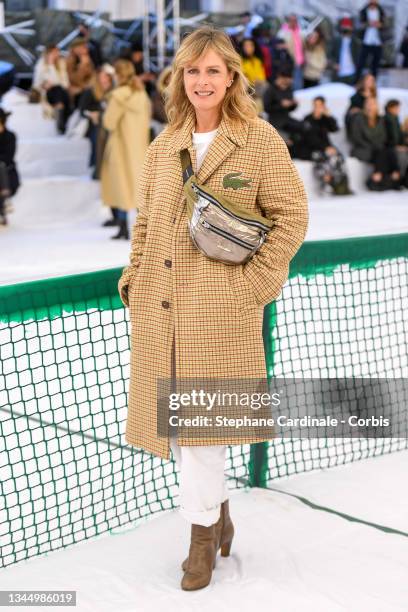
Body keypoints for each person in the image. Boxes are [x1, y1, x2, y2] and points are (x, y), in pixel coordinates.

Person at [117, 25, 308, 591]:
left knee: (202, 429)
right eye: (192, 71)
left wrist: (255, 285)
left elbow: (291, 216)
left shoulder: (259, 140)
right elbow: (146, 222)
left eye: (213, 71)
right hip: (160, 311)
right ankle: (218, 514)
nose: (202, 81)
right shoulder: (163, 145)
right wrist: (134, 277)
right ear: (181, 78)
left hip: (221, 311)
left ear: (232, 78)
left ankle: (200, 539)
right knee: (185, 430)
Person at [100, 59, 151, 239]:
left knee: (121, 188)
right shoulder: (141, 94)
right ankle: (144, 231)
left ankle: (123, 228)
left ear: (118, 75)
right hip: (139, 148)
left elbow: (108, 122)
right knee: (138, 189)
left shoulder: (118, 96)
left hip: (121, 147)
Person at [293, 96, 352, 195]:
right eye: (316, 105)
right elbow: (310, 138)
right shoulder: (308, 119)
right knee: (320, 159)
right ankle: (326, 186)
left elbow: (334, 129)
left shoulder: (325, 119)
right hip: (310, 148)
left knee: (338, 158)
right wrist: (325, 148)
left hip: (326, 147)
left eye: (320, 105)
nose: (318, 108)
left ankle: (341, 186)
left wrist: (329, 116)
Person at [350, 96, 401, 190]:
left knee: (388, 151)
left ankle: (382, 177)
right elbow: (356, 137)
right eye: (368, 104)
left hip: (378, 148)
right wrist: (372, 146)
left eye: (373, 104)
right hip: (362, 148)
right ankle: (382, 178)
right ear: (364, 105)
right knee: (382, 152)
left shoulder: (381, 119)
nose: (370, 106)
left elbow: (384, 136)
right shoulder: (358, 118)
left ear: (377, 106)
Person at [78, 63, 115, 176]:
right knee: (97, 136)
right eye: (102, 77)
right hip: (95, 124)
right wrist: (92, 114)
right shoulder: (90, 92)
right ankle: (96, 167)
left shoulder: (114, 92)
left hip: (111, 123)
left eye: (107, 78)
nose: (105, 80)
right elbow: (82, 111)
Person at [32, 44, 71, 133]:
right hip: (46, 92)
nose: (56, 55)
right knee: (57, 91)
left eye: (57, 52)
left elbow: (65, 83)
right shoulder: (41, 64)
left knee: (58, 90)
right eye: (53, 52)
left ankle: (60, 115)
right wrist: (49, 64)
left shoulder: (61, 63)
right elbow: (36, 83)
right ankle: (61, 122)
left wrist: (52, 66)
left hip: (60, 92)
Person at [263, 68, 304, 150]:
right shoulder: (270, 90)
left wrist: (293, 104)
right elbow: (267, 108)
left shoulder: (288, 89)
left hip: (286, 119)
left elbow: (290, 109)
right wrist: (281, 105)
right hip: (275, 121)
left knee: (303, 127)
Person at [355, 0, 386, 80]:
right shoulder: (363, 11)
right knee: (360, 63)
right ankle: (357, 81)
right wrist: (368, 24)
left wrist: (380, 25)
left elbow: (385, 25)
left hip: (377, 41)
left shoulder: (381, 11)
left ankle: (373, 83)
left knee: (375, 65)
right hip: (366, 41)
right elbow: (359, 25)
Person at [0, 108, 20, 226]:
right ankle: (5, 203)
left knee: (1, 166)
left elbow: (9, 156)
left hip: (8, 171)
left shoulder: (10, 136)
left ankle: (4, 204)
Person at [277, 14, 305, 90]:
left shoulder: (301, 32)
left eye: (295, 20)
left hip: (299, 61)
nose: (293, 22)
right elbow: (278, 46)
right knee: (289, 82)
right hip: (287, 62)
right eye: (291, 20)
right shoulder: (283, 32)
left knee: (298, 82)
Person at [384, 99, 408, 187]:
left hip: (397, 145)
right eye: (396, 108)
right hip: (389, 147)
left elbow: (400, 135)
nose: (398, 110)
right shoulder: (386, 119)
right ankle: (400, 179)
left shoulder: (396, 119)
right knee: (402, 155)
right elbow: (386, 137)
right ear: (390, 108)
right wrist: (396, 146)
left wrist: (404, 143)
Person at [330, 17, 361, 84]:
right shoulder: (336, 41)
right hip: (338, 73)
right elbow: (329, 54)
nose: (346, 28)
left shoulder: (356, 42)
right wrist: (333, 64)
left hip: (352, 73)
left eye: (348, 26)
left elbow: (360, 57)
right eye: (344, 26)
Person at [345, 73, 377, 137]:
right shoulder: (357, 95)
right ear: (364, 81)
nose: (369, 82)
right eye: (368, 80)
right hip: (356, 118)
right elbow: (354, 110)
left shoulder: (374, 94)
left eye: (371, 80)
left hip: (368, 116)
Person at [66, 38, 96, 108]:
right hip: (74, 92)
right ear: (76, 48)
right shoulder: (70, 60)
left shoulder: (87, 59)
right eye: (84, 47)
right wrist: (82, 66)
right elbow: (73, 79)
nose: (87, 49)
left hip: (85, 89)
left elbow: (93, 76)